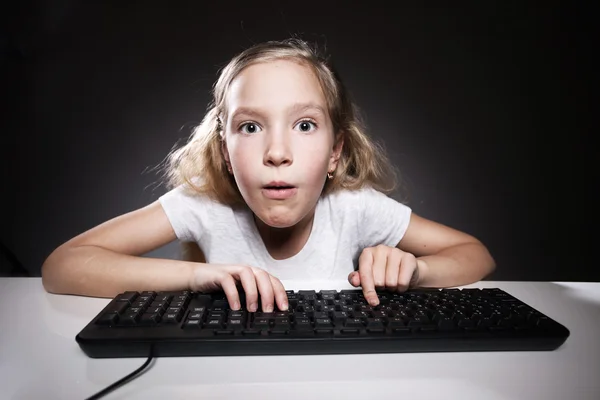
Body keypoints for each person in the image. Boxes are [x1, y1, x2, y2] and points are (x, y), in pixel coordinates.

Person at [41, 38, 495, 312]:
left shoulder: (353, 208)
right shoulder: (204, 206)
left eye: (304, 125)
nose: (277, 153)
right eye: (250, 127)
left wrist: (416, 269)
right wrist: (202, 276)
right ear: (224, 149)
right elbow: (63, 267)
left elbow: (474, 255)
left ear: (336, 151)